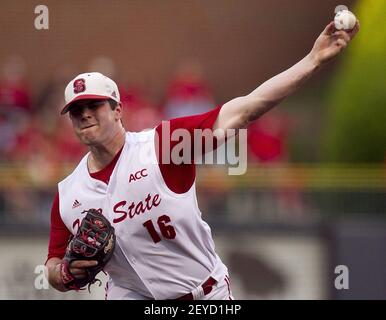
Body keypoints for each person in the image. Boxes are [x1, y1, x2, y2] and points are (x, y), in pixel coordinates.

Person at [45, 21, 359, 300]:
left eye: (94, 105)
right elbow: (53, 264)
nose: (85, 113)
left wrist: (313, 59)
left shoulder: (165, 145)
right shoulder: (68, 193)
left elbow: (246, 109)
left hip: (204, 294)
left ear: (117, 110)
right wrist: (62, 274)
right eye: (75, 109)